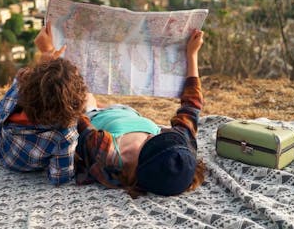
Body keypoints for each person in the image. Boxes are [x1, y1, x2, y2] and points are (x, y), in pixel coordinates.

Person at [74, 29, 205, 197]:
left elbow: (72, 112)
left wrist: (50, 60)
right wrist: (192, 54)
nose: (155, 135)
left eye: (153, 141)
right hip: (122, 113)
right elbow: (192, 105)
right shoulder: (178, 153)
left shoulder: (107, 152)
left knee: (85, 96)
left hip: (92, 114)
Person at [0, 22, 88, 185]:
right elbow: (60, 177)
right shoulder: (65, 135)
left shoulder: (20, 87)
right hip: (30, 165)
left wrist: (46, 55)